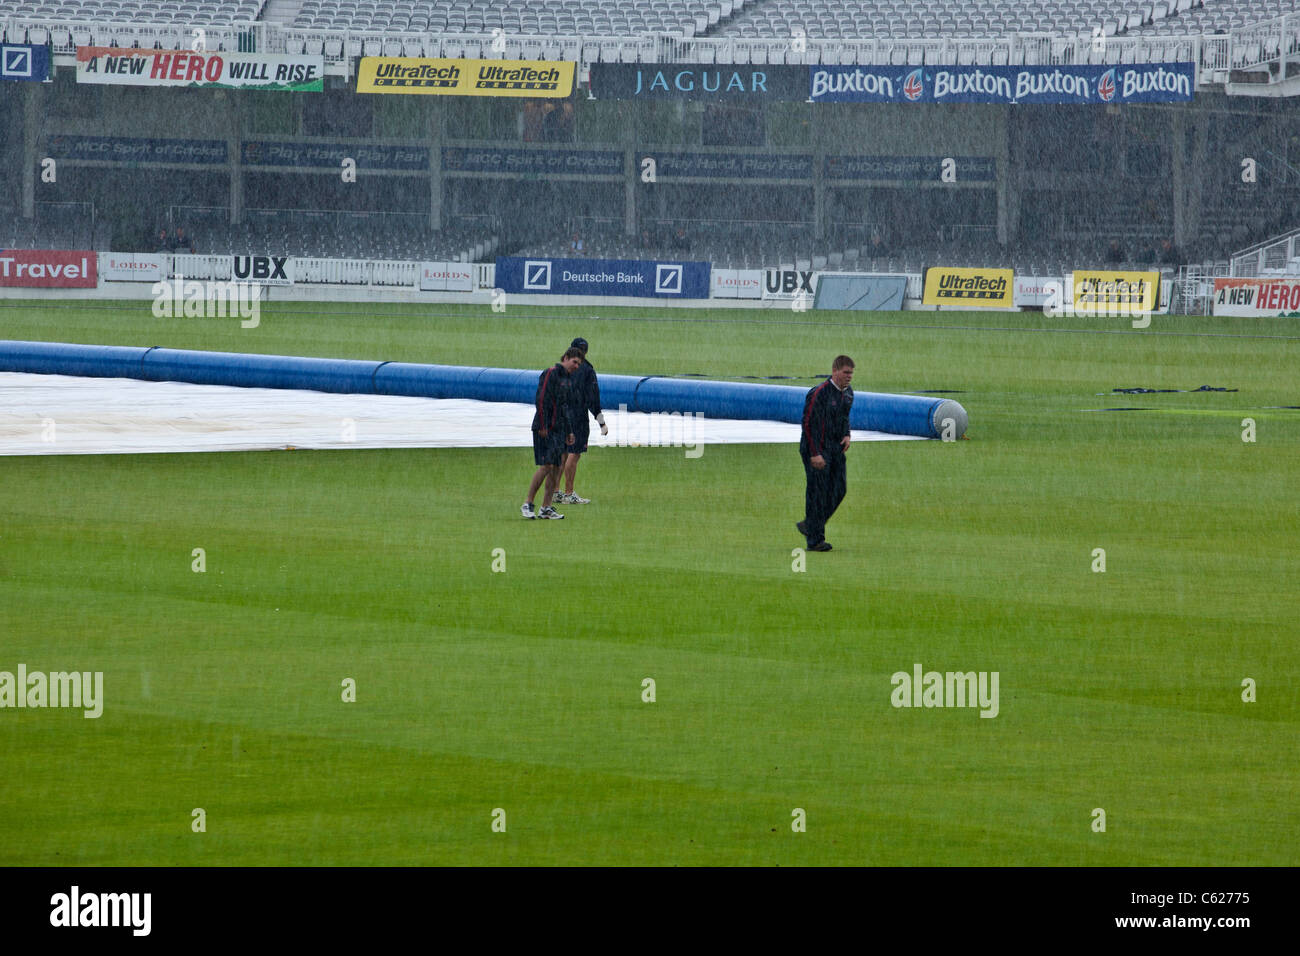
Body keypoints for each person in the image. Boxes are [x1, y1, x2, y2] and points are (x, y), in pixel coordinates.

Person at [797, 356, 854, 552]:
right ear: (835, 371)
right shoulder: (819, 393)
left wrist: (847, 434)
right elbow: (808, 424)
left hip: (835, 448)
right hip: (816, 449)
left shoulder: (848, 394)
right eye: (846, 372)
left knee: (839, 489)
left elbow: (844, 417)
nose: (849, 377)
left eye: (851, 373)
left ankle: (811, 525)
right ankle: (815, 541)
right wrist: (815, 454)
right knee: (817, 493)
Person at [522, 348, 583, 519]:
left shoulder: (569, 381)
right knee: (547, 466)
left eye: (579, 364)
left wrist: (570, 430)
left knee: (557, 467)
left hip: (559, 430)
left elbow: (565, 407)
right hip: (545, 428)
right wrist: (542, 425)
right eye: (575, 362)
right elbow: (541, 400)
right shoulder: (550, 373)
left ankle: (546, 508)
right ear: (565, 358)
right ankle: (528, 503)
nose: (576, 366)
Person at [554, 337, 607, 505]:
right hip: (577, 415)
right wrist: (601, 422)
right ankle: (569, 494)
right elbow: (593, 399)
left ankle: (555, 492)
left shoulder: (561, 368)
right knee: (574, 453)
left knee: (562, 453)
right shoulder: (587, 370)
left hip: (561, 413)